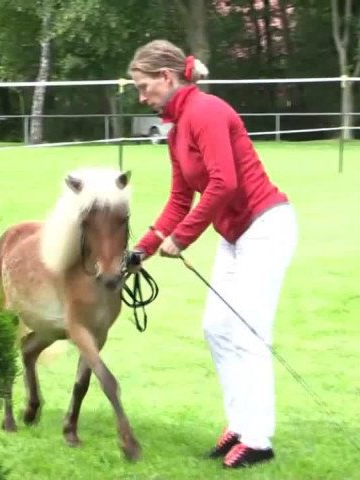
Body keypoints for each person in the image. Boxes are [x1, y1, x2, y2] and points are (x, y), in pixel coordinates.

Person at [126, 39, 297, 469]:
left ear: (167, 78)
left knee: (248, 334)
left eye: (144, 87)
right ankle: (240, 426)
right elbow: (179, 199)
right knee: (217, 328)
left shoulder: (206, 111)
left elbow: (225, 183)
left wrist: (181, 239)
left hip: (266, 226)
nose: (141, 96)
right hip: (235, 235)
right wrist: (140, 251)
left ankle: (258, 439)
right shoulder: (177, 129)